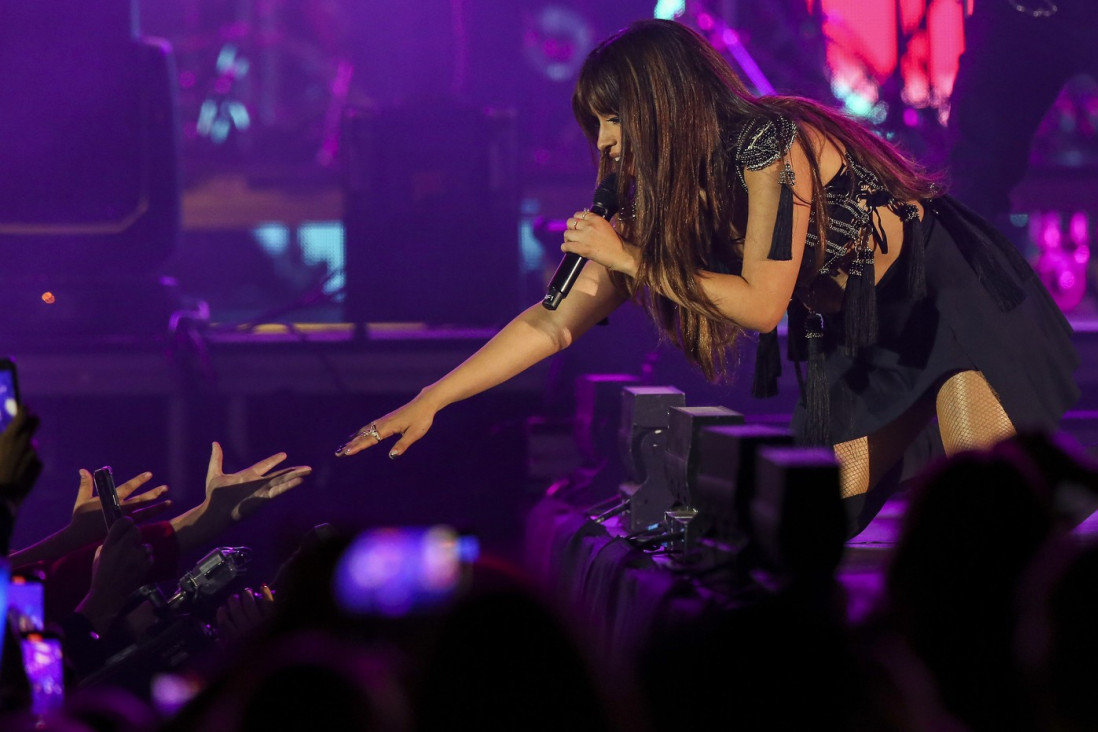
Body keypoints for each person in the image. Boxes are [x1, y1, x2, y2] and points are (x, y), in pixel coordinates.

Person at [336, 19, 1080, 537]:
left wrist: (630, 259)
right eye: (594, 123)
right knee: (817, 520)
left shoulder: (768, 143)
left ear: (660, 105)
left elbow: (760, 306)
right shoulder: (652, 202)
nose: (604, 143)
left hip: (951, 300)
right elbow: (552, 321)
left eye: (614, 118)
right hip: (869, 341)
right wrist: (433, 396)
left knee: (999, 508)